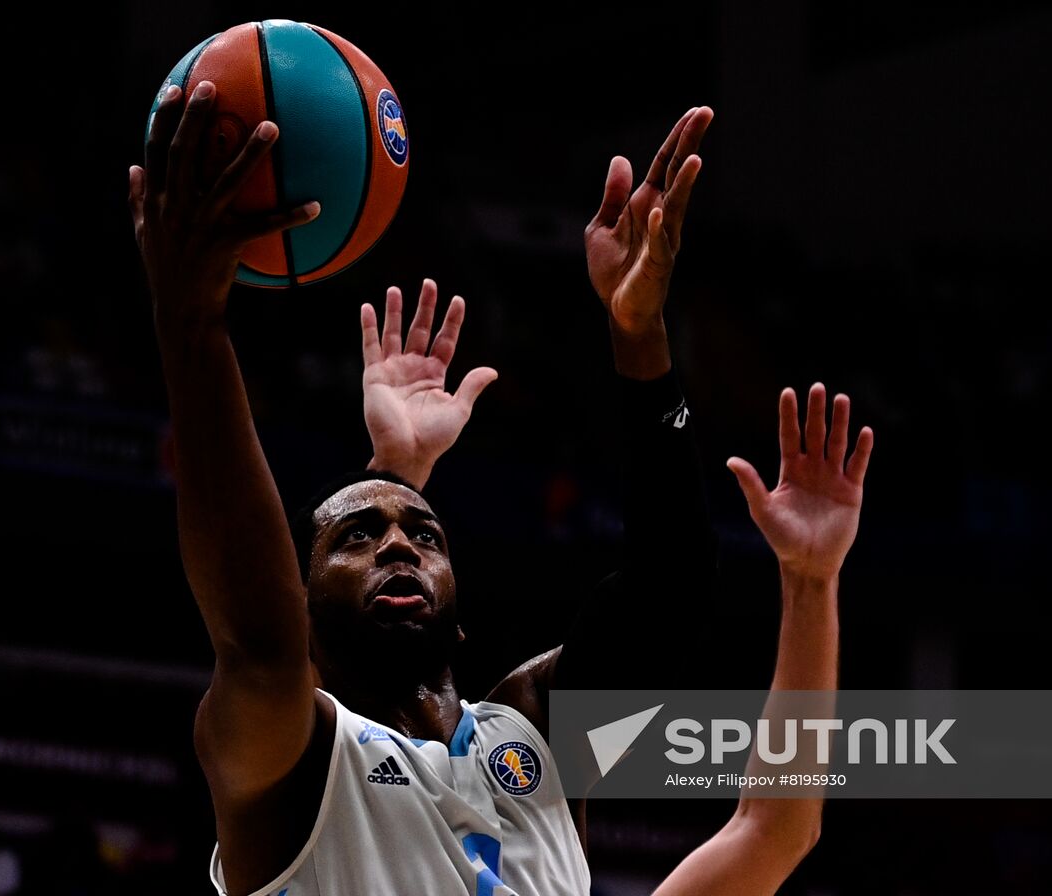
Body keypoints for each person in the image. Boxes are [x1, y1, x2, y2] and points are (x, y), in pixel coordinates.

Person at [128, 78, 870, 895]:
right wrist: (192, 324)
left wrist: (639, 337)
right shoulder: (293, 763)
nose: (401, 542)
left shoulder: (532, 741)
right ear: (305, 608)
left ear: (462, 616)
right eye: (357, 538)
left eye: (425, 534)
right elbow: (262, 645)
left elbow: (673, 599)